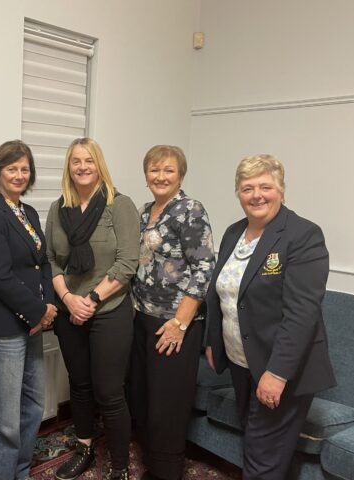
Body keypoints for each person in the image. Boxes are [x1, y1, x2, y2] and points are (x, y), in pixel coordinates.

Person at [205, 155, 336, 480]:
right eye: (247, 188)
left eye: (266, 186)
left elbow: (302, 314)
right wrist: (213, 340)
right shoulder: (235, 232)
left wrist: (277, 374)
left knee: (263, 458)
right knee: (257, 444)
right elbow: (219, 292)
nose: (256, 194)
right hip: (241, 362)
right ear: (238, 193)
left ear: (281, 190)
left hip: (280, 369)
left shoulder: (303, 235)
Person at [46, 137, 140, 480]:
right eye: (75, 162)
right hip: (70, 311)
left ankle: (119, 467)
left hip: (109, 309)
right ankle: (84, 448)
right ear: (68, 168)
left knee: (109, 391)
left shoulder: (120, 205)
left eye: (88, 160)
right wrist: (69, 299)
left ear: (99, 164)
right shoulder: (59, 209)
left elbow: (128, 262)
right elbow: (52, 261)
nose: (82, 167)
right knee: (80, 385)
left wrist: (92, 299)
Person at [130, 146, 215, 480]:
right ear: (146, 173)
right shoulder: (144, 210)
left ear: (181, 174)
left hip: (176, 321)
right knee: (143, 394)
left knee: (167, 403)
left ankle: (166, 472)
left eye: (168, 170)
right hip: (142, 317)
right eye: (154, 169)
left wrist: (180, 323)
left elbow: (204, 269)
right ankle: (151, 458)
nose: (160, 176)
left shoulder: (190, 210)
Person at [0, 140, 57, 480]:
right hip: (4, 328)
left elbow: (44, 264)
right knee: (2, 419)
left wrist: (49, 305)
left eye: (25, 169)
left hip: (33, 324)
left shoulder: (30, 213)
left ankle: (18, 472)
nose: (19, 175)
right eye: (12, 169)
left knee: (33, 407)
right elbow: (0, 275)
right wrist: (38, 311)